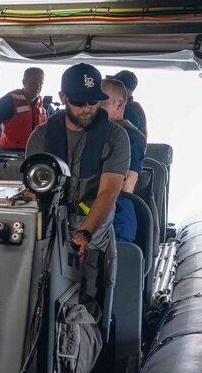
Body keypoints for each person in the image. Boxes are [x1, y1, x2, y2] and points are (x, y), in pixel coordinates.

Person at [25, 63, 129, 301]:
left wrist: (85, 233)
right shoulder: (41, 136)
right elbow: (33, 192)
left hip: (91, 233)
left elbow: (108, 192)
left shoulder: (116, 137)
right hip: (48, 229)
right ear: (63, 98)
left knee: (82, 303)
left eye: (94, 102)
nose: (88, 109)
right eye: (80, 102)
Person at [101, 77, 147, 244]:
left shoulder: (132, 137)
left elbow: (127, 186)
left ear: (119, 105)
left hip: (117, 221)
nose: (94, 109)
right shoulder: (95, 133)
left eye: (102, 103)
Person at [0, 66, 56, 152]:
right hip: (8, 155)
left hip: (36, 154)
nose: (38, 88)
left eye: (41, 84)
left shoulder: (46, 107)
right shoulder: (8, 101)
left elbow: (56, 131)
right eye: (34, 83)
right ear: (24, 82)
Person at [113, 69, 148, 139]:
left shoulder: (130, 110)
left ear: (126, 90)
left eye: (115, 86)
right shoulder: (128, 107)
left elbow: (125, 138)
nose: (112, 89)